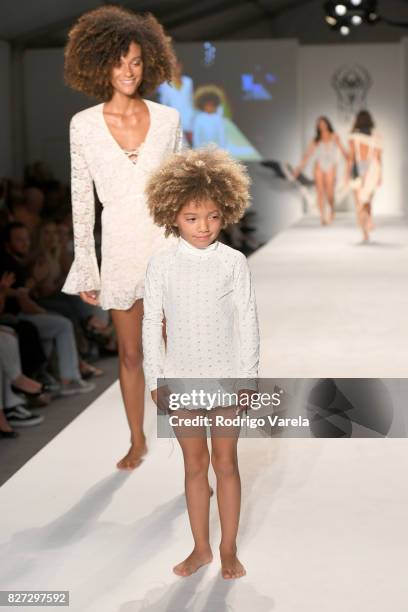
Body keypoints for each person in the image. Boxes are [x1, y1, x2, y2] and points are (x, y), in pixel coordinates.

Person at [62, 5, 183, 469]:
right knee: (131, 354)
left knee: (175, 348)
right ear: (99, 64)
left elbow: (185, 186)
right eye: (118, 62)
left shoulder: (168, 119)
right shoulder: (84, 125)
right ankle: (137, 439)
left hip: (165, 242)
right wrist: (86, 265)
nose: (128, 71)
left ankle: (184, 434)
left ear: (147, 62)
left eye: (135, 61)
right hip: (118, 245)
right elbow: (80, 200)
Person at [143, 146, 260, 579]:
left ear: (225, 210)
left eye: (212, 216)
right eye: (192, 218)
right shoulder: (160, 265)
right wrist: (157, 379)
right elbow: (151, 324)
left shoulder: (234, 262)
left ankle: (228, 548)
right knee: (194, 465)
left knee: (226, 463)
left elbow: (247, 321)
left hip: (227, 377)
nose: (203, 227)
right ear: (171, 214)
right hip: (182, 378)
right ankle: (200, 548)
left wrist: (248, 377)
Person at [294, 116, 347, 225]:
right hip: (319, 165)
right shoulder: (316, 139)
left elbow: (342, 150)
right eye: (319, 124)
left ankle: (332, 210)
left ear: (327, 124)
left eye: (323, 123)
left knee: (330, 193)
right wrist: (299, 168)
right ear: (317, 126)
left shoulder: (334, 136)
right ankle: (323, 216)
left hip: (331, 165)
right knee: (320, 192)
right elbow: (307, 155)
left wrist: (350, 161)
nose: (322, 126)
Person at [347, 110, 382, 242]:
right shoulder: (376, 136)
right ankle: (368, 223)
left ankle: (364, 232)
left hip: (358, 169)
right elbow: (378, 158)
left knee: (359, 203)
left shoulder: (353, 137)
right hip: (373, 169)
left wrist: (346, 174)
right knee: (367, 202)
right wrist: (380, 176)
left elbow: (350, 158)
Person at [157, 59, 194, 145]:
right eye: (173, 66)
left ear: (181, 66)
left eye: (178, 66)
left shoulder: (188, 81)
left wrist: (192, 122)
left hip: (189, 122)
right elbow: (164, 105)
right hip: (174, 122)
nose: (176, 68)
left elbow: (191, 102)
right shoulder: (164, 85)